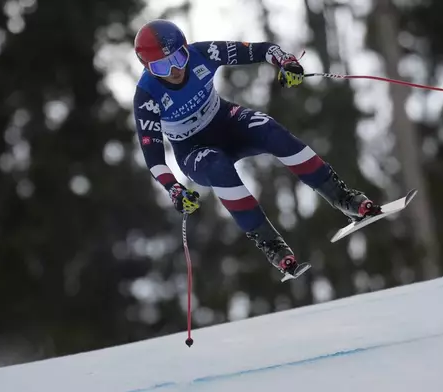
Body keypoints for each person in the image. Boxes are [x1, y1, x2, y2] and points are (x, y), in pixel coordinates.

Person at [132, 19, 382, 278]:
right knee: (218, 166)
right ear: (148, 68)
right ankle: (272, 245)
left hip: (227, 123)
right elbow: (154, 158)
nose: (175, 69)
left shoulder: (203, 53)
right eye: (162, 66)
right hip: (194, 150)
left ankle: (344, 198)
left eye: (180, 57)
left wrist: (286, 62)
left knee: (269, 130)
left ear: (186, 49)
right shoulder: (146, 96)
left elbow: (263, 49)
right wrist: (174, 189)